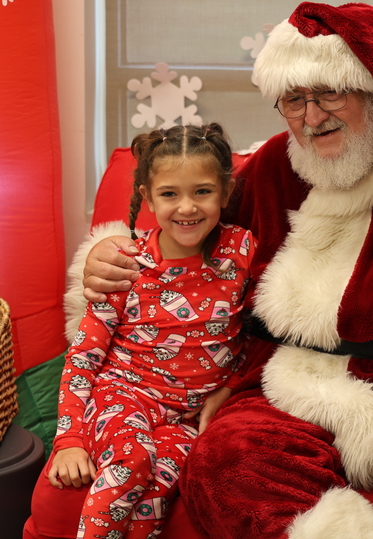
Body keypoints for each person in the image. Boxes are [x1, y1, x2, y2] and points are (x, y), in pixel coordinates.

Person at [78, 2, 373, 539]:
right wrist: (113, 255)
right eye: (293, 100)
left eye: (331, 92)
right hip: (287, 387)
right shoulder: (269, 170)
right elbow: (194, 249)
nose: (311, 118)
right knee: (226, 458)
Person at [44, 123, 256, 539]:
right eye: (170, 194)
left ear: (225, 194)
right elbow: (83, 354)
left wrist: (230, 386)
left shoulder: (243, 252)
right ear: (148, 198)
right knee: (133, 461)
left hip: (186, 418)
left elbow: (257, 333)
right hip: (122, 395)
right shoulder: (126, 264)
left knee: (158, 492)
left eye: (202, 191)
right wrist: (68, 440)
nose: (187, 207)